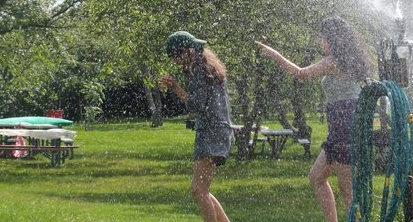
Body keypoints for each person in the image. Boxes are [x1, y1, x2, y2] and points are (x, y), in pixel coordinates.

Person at [256, 16, 369, 222]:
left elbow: (300, 73)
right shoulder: (348, 61)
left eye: (323, 38)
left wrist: (274, 54)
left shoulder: (334, 62)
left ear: (333, 39)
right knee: (317, 177)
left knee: (348, 190)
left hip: (345, 127)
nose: (320, 42)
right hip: (342, 125)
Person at [158, 31, 233, 222]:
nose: (175, 61)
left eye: (176, 56)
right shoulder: (205, 67)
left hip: (211, 132)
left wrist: (175, 88)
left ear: (185, 51)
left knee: (199, 191)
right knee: (202, 190)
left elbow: (197, 105)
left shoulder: (200, 71)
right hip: (218, 131)